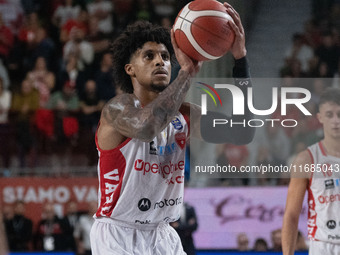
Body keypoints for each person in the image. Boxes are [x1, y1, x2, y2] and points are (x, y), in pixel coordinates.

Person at [90, 2, 253, 254]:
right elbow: (147, 128)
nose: (160, 62)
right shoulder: (117, 109)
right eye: (149, 56)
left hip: (163, 235)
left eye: (165, 57)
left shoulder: (184, 114)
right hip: (118, 233)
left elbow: (243, 132)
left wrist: (240, 60)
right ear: (129, 69)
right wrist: (186, 74)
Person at [282, 88, 340, 255]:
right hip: (322, 247)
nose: (335, 120)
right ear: (320, 118)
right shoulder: (306, 159)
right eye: (329, 115)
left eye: (339, 114)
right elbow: (292, 215)